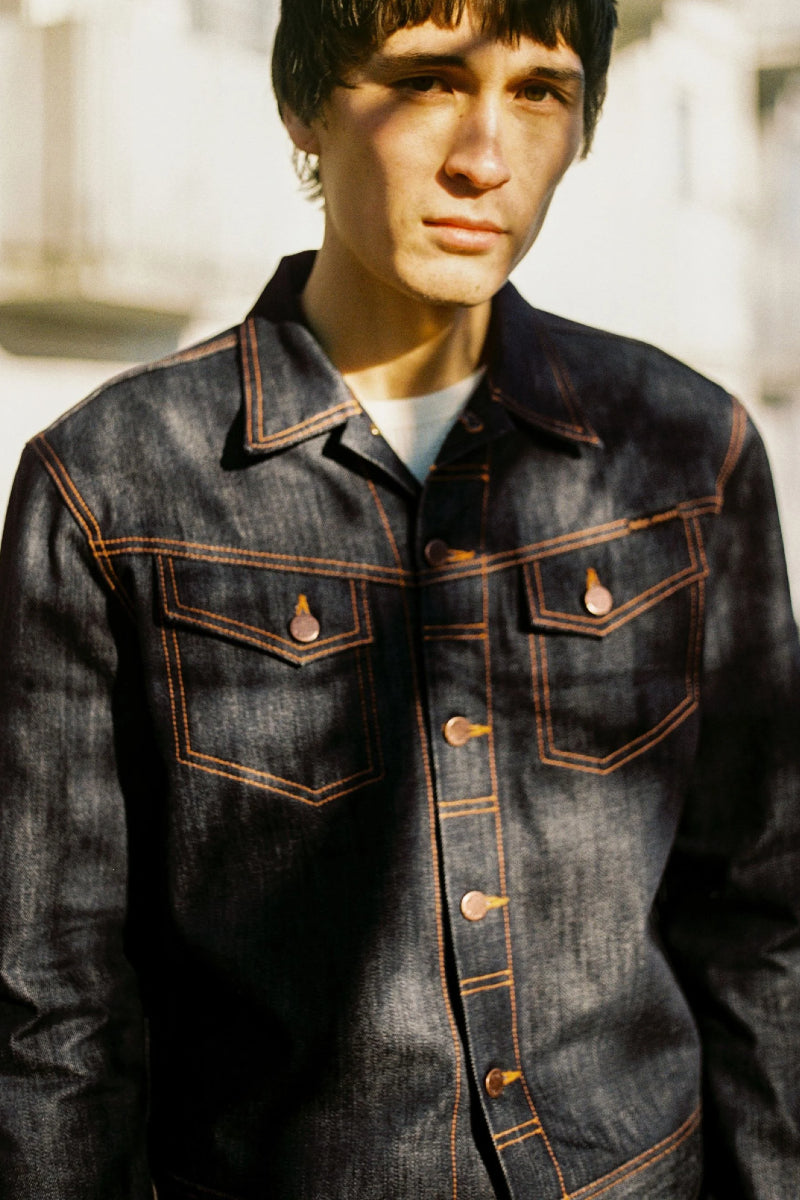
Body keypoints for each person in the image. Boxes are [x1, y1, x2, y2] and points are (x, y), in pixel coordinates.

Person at [0, 0, 798, 1196]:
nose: (485, 157)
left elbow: (761, 922)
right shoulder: (110, 482)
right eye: (427, 80)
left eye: (538, 91)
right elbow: (52, 1000)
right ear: (303, 105)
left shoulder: (687, 451)